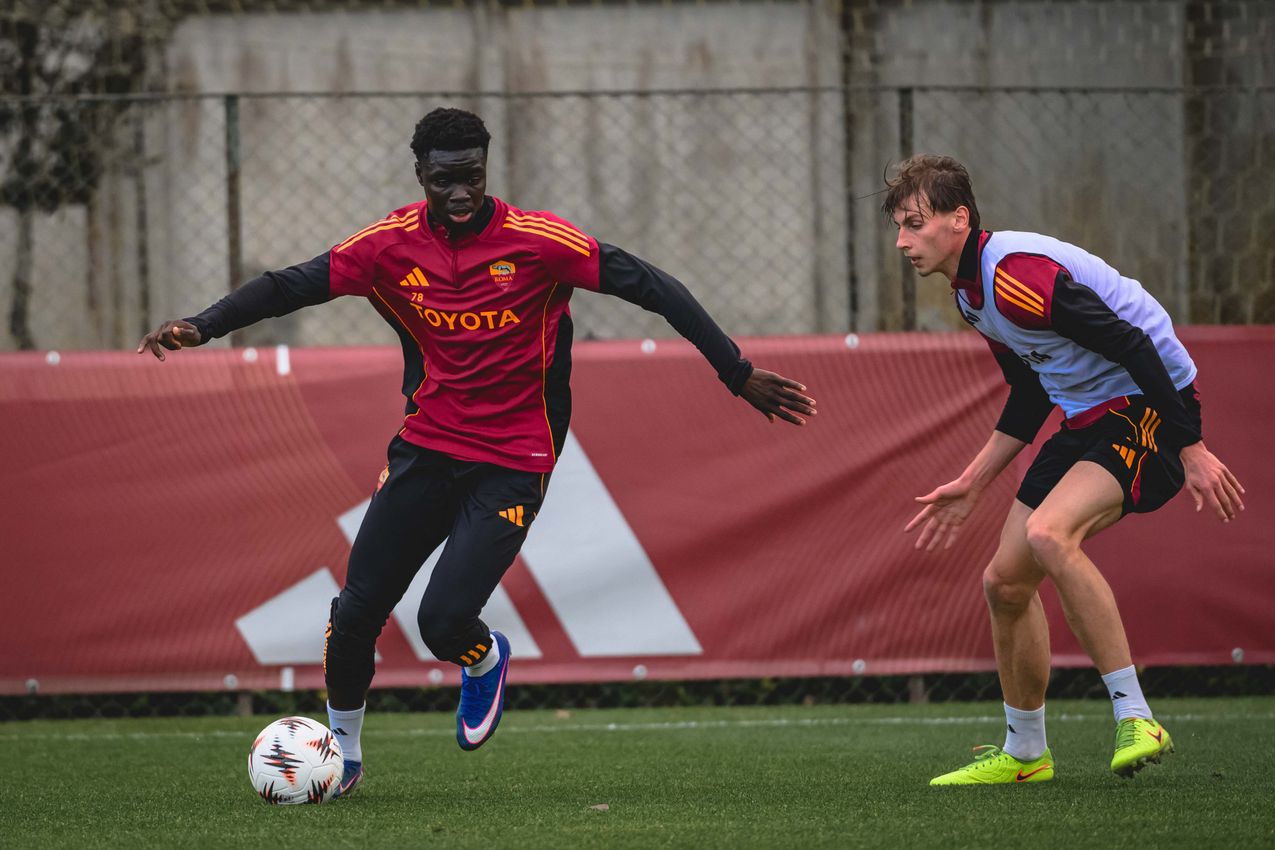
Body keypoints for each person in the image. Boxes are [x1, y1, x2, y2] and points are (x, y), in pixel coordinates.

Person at [138, 107, 817, 798]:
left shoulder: (538, 241)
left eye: (470, 177)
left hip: (515, 458)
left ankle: (483, 656)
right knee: (353, 615)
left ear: (486, 169)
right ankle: (342, 754)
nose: (458, 193)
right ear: (420, 177)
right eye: (442, 180)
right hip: (426, 447)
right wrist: (204, 324)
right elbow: (289, 285)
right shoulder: (389, 245)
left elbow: (652, 285)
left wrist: (736, 373)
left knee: (441, 623)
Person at [884, 155, 1244, 786]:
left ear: (959, 219)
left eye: (914, 223)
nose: (902, 241)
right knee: (1004, 583)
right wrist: (973, 481)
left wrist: (1191, 447)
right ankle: (1026, 754)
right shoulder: (970, 294)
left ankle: (1137, 717)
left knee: (1051, 534)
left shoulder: (1015, 277)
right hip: (1088, 417)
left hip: (1149, 406)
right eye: (898, 226)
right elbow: (1030, 393)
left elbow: (1133, 342)